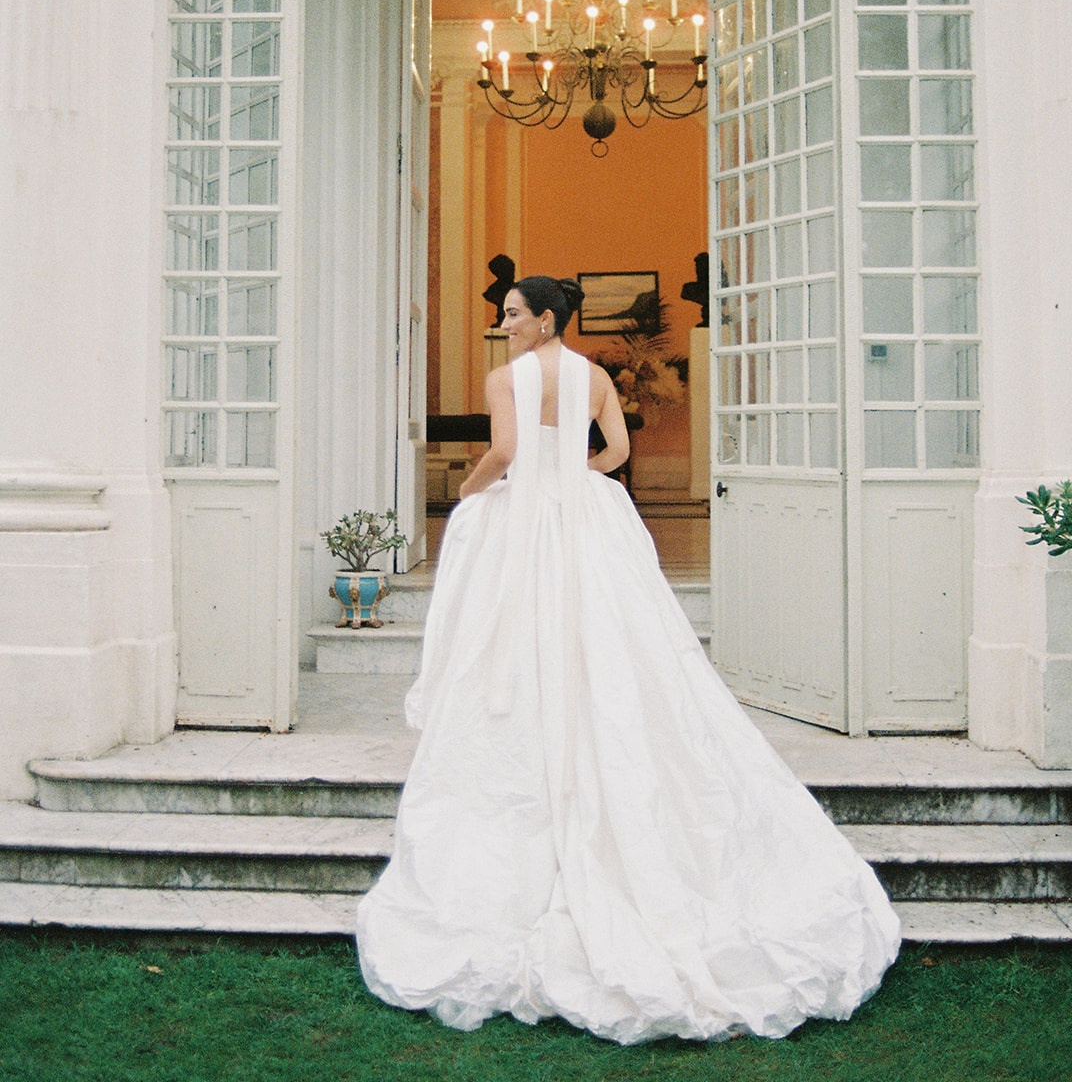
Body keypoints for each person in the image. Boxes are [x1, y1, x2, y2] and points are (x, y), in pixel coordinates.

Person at [356, 275, 900, 1045]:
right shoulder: (595, 376)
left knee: (517, 641)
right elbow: (617, 451)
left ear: (545, 320)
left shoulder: (508, 377)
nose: (502, 322)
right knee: (615, 649)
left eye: (512, 314)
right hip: (587, 522)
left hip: (526, 528)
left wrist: (467, 498)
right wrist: (574, 474)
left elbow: (505, 450)